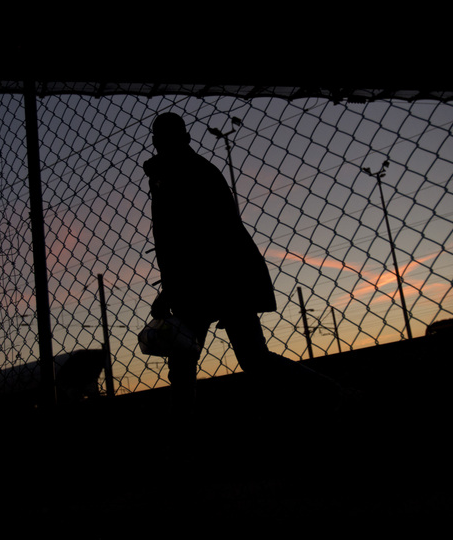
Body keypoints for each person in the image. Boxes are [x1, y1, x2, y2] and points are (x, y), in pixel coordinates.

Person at [142, 112, 342, 414]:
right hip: (221, 278)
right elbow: (187, 241)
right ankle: (337, 397)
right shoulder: (175, 174)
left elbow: (195, 240)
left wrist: (170, 289)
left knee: (195, 363)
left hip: (218, 278)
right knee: (237, 360)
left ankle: (336, 397)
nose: (164, 145)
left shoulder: (181, 175)